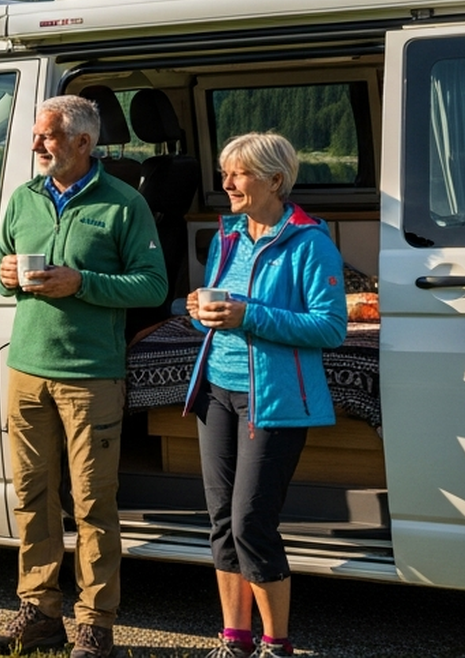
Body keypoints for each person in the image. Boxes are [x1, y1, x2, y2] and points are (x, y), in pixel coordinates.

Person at [0, 95, 168, 658]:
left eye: (48, 137)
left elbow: (153, 286)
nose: (37, 145)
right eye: (38, 137)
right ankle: (39, 612)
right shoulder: (23, 198)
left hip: (91, 376)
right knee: (33, 496)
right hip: (27, 369)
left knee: (93, 503)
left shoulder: (123, 204)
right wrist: (8, 274)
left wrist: (82, 282)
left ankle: (96, 624)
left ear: (83, 143)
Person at [183, 132, 347, 658]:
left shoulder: (310, 243)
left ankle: (277, 646)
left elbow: (330, 327)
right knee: (223, 523)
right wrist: (198, 308)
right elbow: (221, 308)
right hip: (217, 391)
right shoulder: (226, 237)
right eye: (226, 172)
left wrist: (249, 314)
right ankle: (235, 641)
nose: (227, 183)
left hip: (271, 400)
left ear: (275, 180)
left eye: (239, 174)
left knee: (253, 523)